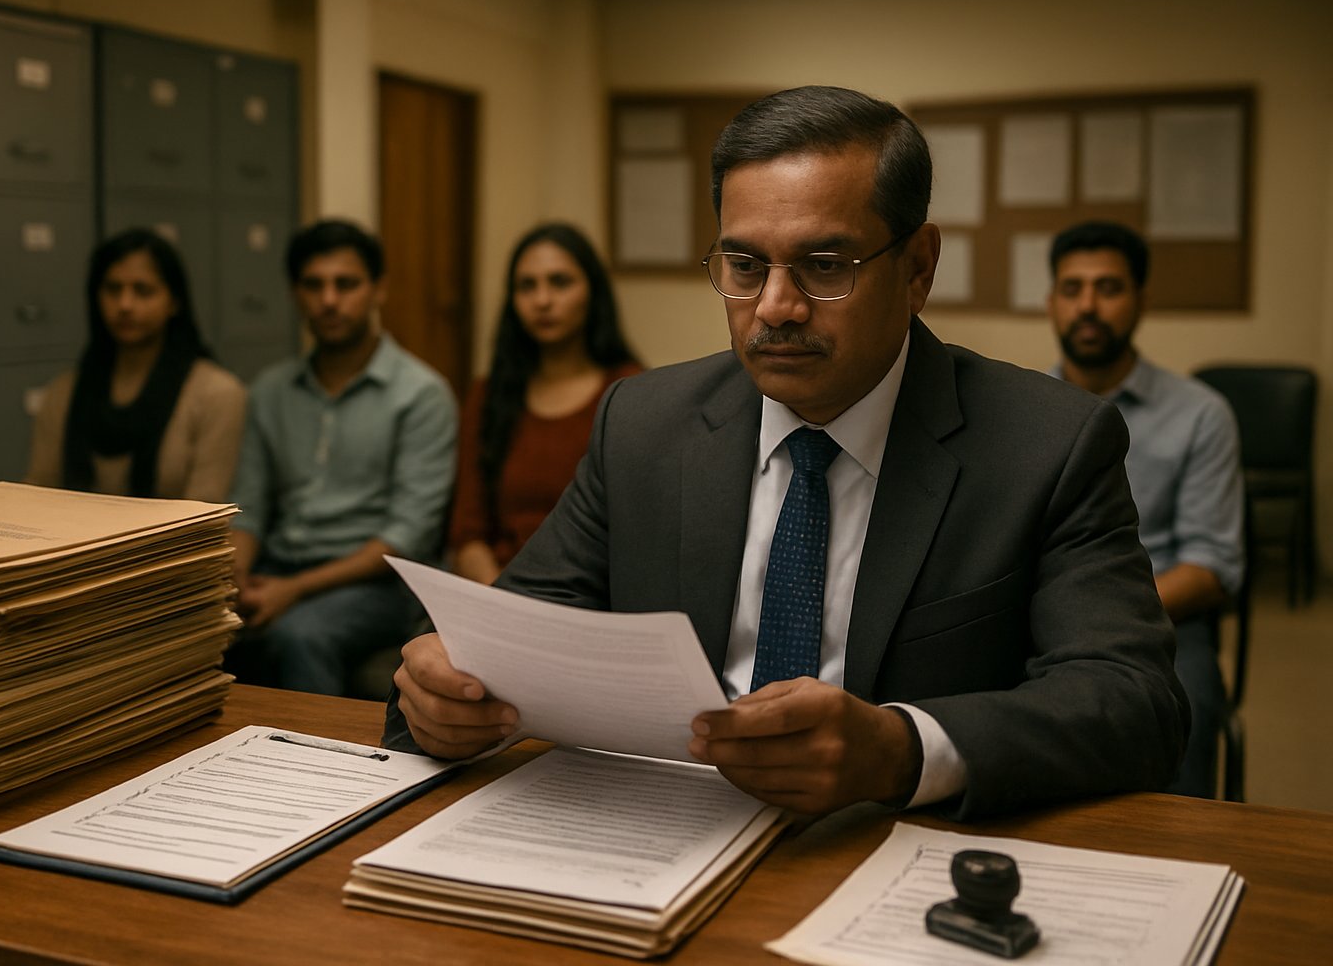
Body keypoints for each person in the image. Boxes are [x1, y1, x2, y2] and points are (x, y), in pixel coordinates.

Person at [385, 85, 1188, 821]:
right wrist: (445, 696)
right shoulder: (643, 423)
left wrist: (900, 750)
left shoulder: (1047, 443)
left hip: (891, 843)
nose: (775, 306)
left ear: (918, 268)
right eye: (743, 264)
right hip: (659, 832)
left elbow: (1134, 702)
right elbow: (517, 631)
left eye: (825, 266)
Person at [1046, 220, 1243, 799]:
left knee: (1181, 718)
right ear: (1051, 301)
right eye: (1071, 288)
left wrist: (1104, 619)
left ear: (1140, 301)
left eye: (1108, 288)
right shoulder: (1028, 409)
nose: (1088, 305)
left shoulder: (1202, 414)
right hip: (1043, 612)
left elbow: (1212, 566)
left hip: (1167, 621)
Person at [227, 219, 458, 696]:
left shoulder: (421, 395)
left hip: (377, 582)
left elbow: (405, 537)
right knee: (193, 625)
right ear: (295, 294)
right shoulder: (271, 391)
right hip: (278, 564)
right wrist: (236, 578)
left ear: (379, 290)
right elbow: (247, 508)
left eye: (346, 284)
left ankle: (322, 770)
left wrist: (295, 589)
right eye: (314, 285)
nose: (329, 300)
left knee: (301, 635)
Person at [450, 224, 640, 585]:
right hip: (496, 590)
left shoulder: (632, 392)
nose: (542, 300)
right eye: (526, 286)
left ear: (593, 291)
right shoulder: (488, 395)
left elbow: (637, 535)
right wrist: (500, 602)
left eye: (560, 282)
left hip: (587, 597)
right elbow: (467, 534)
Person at [25, 228, 246, 501]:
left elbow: (204, 515)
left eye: (143, 290)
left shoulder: (217, 394)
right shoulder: (64, 392)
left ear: (174, 302)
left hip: (176, 543)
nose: (125, 304)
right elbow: (37, 496)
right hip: (76, 541)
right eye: (112, 289)